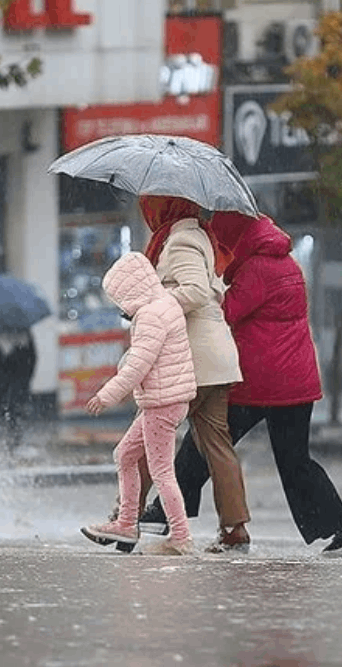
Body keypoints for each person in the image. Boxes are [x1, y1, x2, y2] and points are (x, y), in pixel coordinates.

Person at [142, 212, 342, 558]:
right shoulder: (285, 264)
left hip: (260, 382)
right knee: (296, 462)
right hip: (296, 383)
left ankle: (163, 514)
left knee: (207, 441)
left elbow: (226, 313)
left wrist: (206, 288)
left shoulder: (257, 270)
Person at [131, 195, 250, 553]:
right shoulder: (201, 236)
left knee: (146, 438)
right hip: (217, 359)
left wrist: (153, 306)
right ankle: (235, 528)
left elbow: (196, 291)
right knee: (217, 446)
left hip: (190, 360)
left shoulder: (180, 239)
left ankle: (126, 517)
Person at [80, 252, 199, 556]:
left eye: (118, 298)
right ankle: (126, 524)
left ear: (129, 291)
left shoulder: (149, 315)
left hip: (162, 403)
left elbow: (138, 365)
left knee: (161, 472)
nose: (120, 306)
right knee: (124, 455)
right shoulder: (166, 303)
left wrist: (106, 395)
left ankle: (181, 536)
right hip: (168, 400)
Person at [0, 327, 37, 451]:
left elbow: (30, 360)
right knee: (5, 408)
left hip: (12, 382)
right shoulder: (24, 336)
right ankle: (4, 439)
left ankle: (11, 440)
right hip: (2, 383)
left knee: (13, 408)